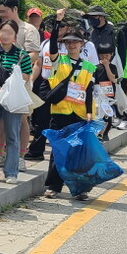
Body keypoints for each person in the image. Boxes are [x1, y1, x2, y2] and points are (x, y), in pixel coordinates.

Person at [38, 33, 95, 198]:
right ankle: (53, 186)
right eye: (68, 42)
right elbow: (53, 46)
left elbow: (89, 91)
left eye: (75, 42)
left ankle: (79, 189)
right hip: (60, 112)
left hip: (79, 114)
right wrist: (57, 23)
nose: (72, 45)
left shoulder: (89, 67)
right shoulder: (58, 60)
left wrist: (90, 112)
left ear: (81, 44)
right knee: (59, 150)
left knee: (77, 152)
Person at [0, 19, 33, 183]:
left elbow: (26, 75)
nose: (5, 35)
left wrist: (12, 80)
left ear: (15, 36)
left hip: (12, 97)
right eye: (3, 32)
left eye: (10, 33)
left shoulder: (22, 55)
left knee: (12, 135)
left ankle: (11, 172)